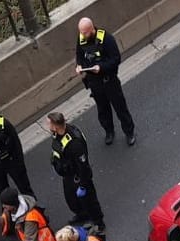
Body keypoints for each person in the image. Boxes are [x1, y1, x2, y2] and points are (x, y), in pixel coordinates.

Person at [75, 17, 136, 146]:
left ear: (92, 29)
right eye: (81, 33)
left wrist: (101, 67)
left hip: (109, 81)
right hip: (95, 83)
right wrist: (79, 66)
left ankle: (129, 132)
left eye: (85, 32)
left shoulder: (106, 39)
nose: (83, 35)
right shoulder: (81, 40)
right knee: (103, 110)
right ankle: (109, 131)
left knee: (120, 108)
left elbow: (116, 59)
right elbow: (79, 56)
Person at [47, 111, 105, 229]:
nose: (47, 126)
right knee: (72, 200)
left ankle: (98, 223)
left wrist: (83, 185)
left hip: (78, 176)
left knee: (89, 201)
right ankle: (82, 214)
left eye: (49, 123)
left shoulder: (75, 143)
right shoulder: (59, 134)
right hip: (68, 175)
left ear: (55, 126)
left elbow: (83, 166)